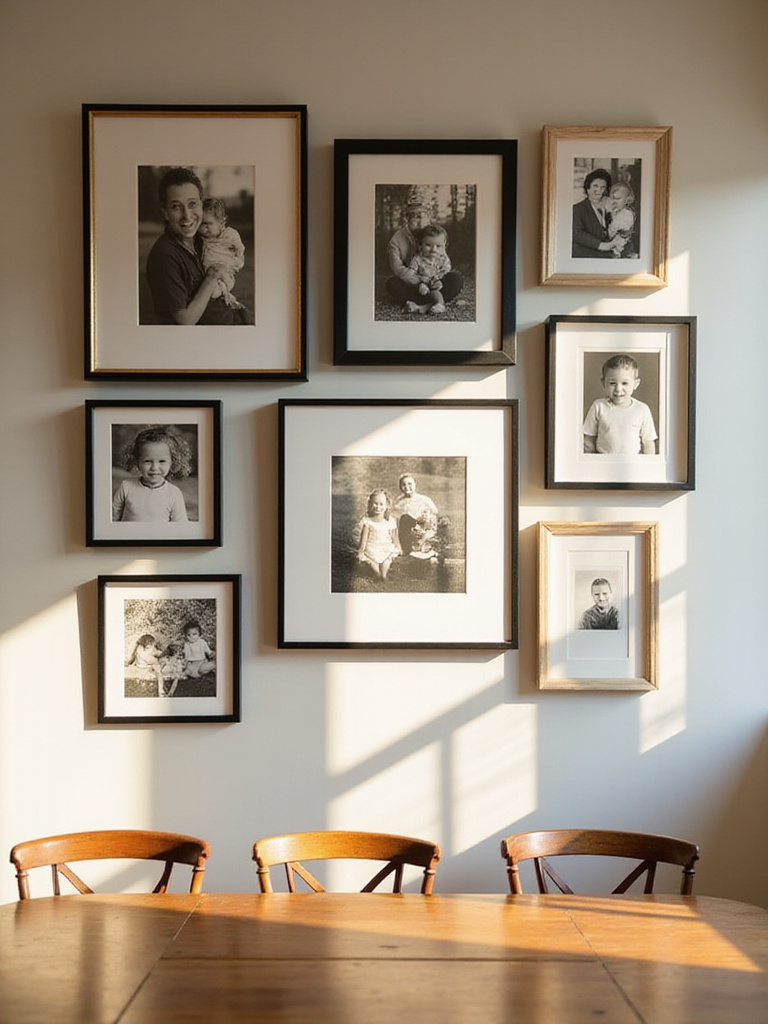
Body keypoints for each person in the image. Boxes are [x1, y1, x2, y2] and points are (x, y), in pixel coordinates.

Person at [145, 166, 253, 325]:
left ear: (201, 204)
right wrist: (212, 277)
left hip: (232, 319)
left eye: (192, 204)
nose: (187, 216)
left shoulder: (200, 237)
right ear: (165, 211)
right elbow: (186, 320)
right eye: (176, 206)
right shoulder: (165, 255)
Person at [384, 190, 463, 310]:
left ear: (429, 218)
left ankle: (419, 304)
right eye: (415, 217)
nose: (420, 222)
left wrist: (436, 279)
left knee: (456, 279)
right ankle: (433, 301)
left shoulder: (434, 234)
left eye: (424, 216)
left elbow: (442, 258)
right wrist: (421, 282)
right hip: (412, 282)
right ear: (407, 218)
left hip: (435, 281)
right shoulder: (396, 241)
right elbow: (398, 269)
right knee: (392, 283)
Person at [112, 426, 191, 522]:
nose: (154, 468)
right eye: (147, 461)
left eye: (162, 461)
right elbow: (112, 518)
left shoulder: (174, 494)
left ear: (172, 462)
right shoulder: (126, 487)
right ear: (137, 462)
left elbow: (181, 528)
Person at [583, 354, 658, 455]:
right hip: (603, 464)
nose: (618, 389)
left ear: (636, 384)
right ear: (603, 383)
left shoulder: (642, 409)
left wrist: (647, 467)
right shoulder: (598, 407)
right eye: (612, 383)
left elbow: (648, 444)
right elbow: (588, 441)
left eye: (625, 383)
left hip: (632, 465)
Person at [198, 197, 246, 308]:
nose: (203, 228)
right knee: (209, 292)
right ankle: (227, 298)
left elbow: (240, 248)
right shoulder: (201, 238)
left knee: (215, 293)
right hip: (209, 274)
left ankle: (227, 298)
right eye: (200, 224)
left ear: (222, 222)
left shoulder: (230, 235)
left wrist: (237, 263)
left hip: (225, 273)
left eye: (207, 224)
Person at [571, 168, 626, 259]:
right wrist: (601, 245)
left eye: (602, 187)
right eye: (595, 186)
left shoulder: (611, 206)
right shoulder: (577, 209)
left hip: (609, 256)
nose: (599, 190)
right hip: (586, 257)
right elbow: (577, 233)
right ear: (588, 188)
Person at [402, 225, 452, 314]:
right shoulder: (417, 259)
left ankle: (431, 306)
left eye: (438, 246)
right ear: (420, 244)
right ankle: (430, 304)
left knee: (455, 279)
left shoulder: (443, 258)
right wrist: (420, 281)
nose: (433, 249)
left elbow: (446, 270)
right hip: (421, 288)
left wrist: (438, 279)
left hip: (437, 286)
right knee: (395, 283)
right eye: (428, 245)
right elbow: (410, 274)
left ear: (444, 246)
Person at [392, 473, 439, 560]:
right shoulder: (399, 502)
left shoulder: (424, 499)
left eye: (410, 484)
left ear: (415, 484)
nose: (407, 487)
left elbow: (434, 516)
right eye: (404, 484)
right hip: (405, 534)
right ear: (400, 487)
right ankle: (405, 548)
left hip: (421, 530)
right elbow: (395, 521)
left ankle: (421, 548)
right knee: (404, 519)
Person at [357, 489, 401, 580]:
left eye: (381, 504)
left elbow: (394, 537)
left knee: (386, 562)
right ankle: (376, 574)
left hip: (385, 548)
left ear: (386, 506)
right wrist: (361, 551)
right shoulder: (368, 521)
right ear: (370, 505)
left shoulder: (390, 521)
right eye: (375, 503)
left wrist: (399, 547)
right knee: (373, 565)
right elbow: (363, 539)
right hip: (372, 548)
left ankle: (384, 575)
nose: (378, 507)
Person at [606, 182, 637, 258]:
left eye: (617, 198)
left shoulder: (627, 214)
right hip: (614, 245)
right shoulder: (616, 212)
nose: (614, 201)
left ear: (627, 200)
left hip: (622, 248)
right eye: (612, 198)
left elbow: (618, 232)